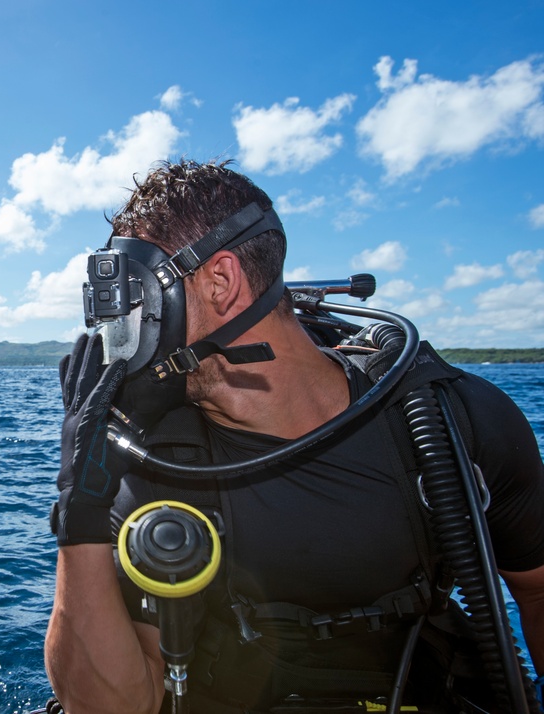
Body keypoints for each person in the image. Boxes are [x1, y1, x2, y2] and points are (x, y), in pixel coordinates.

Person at [44, 159, 544, 713]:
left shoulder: (450, 421)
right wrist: (78, 512)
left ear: (220, 282)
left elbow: (538, 591)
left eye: (136, 298)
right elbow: (107, 708)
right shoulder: (154, 459)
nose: (119, 332)